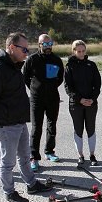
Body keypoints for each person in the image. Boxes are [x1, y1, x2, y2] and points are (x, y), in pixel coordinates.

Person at [0, 32, 52, 202]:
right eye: (24, 49)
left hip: (18, 121)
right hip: (6, 124)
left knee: (24, 156)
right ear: (12, 47)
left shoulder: (14, 65)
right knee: (8, 162)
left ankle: (32, 184)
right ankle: (9, 193)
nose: (27, 52)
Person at [22, 34, 64, 171]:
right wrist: (35, 89)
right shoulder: (32, 59)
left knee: (52, 126)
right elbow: (25, 77)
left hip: (52, 97)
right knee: (36, 127)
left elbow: (60, 78)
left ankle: (49, 151)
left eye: (50, 43)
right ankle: (34, 157)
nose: (48, 47)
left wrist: (50, 88)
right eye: (45, 44)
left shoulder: (56, 60)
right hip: (36, 99)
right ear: (39, 44)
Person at [64, 40, 101, 168]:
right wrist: (80, 99)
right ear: (73, 51)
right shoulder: (69, 66)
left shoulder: (91, 65)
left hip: (91, 103)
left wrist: (92, 98)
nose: (81, 53)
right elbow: (68, 87)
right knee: (78, 129)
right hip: (76, 104)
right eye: (78, 51)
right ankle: (80, 155)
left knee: (91, 129)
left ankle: (92, 155)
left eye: (83, 51)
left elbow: (97, 84)